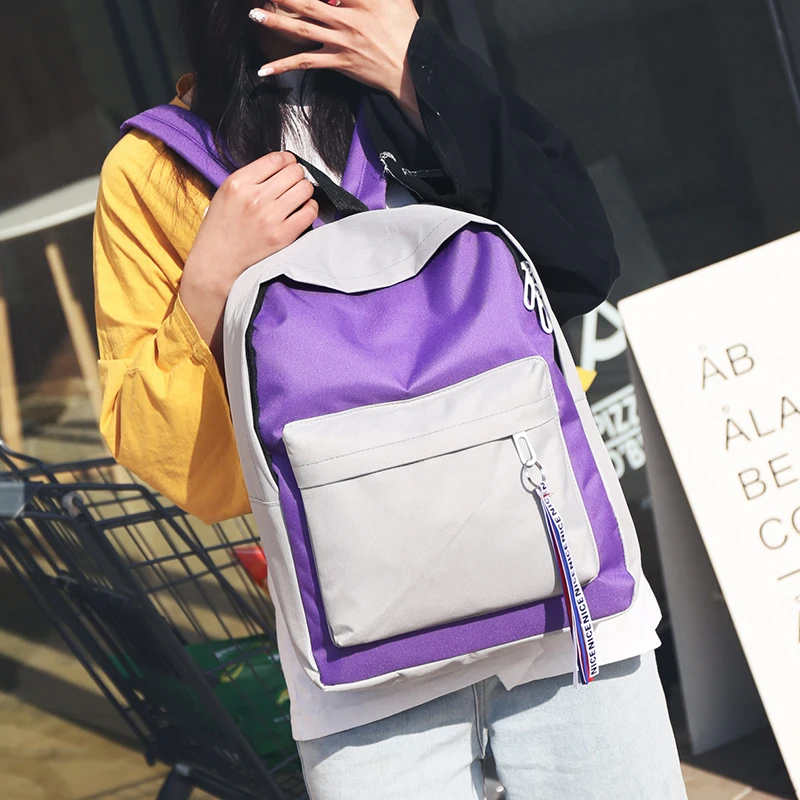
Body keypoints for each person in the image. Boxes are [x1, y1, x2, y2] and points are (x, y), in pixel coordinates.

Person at [94, 1, 687, 797]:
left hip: (567, 624)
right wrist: (208, 284)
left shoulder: (410, 74)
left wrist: (421, 67)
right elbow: (178, 461)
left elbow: (579, 264)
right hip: (367, 683)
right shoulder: (158, 168)